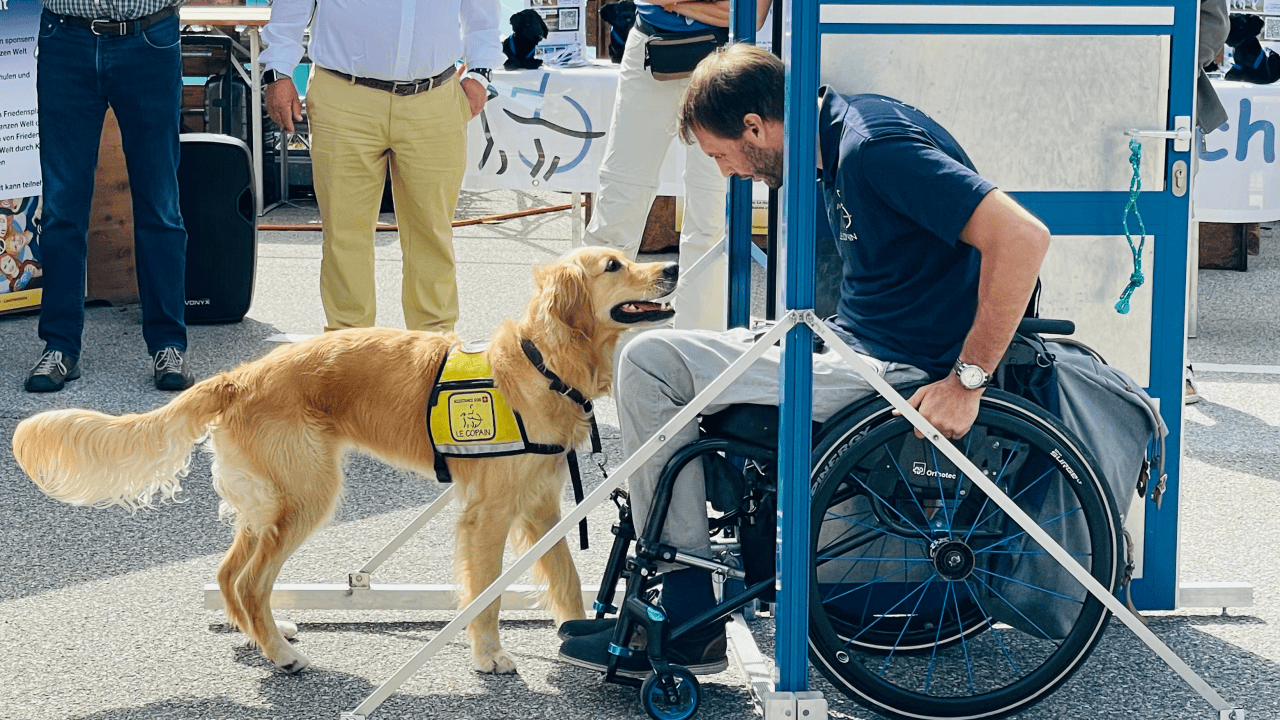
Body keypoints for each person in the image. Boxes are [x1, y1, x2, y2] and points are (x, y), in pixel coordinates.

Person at [558, 43, 1051, 676]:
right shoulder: (840, 139)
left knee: (650, 360)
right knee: (658, 356)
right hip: (853, 343)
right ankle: (682, 583)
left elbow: (1023, 237)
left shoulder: (875, 149)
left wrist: (969, 380)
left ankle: (683, 608)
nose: (731, 173)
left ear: (756, 128)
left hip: (895, 371)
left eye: (722, 155)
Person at [260, 0, 502, 333]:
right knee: (344, 234)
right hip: (343, 95)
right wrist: (279, 70)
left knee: (432, 233)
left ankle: (433, 350)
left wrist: (480, 74)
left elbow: (483, 14)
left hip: (435, 97)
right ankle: (350, 353)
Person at [27, 0, 194, 393]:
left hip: (149, 36)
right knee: (61, 208)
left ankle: (169, 345)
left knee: (160, 205)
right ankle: (60, 346)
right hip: (65, 36)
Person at [583, 0, 771, 332]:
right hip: (651, 50)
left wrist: (671, 3)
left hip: (723, 63)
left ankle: (698, 342)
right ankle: (588, 335)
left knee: (709, 216)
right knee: (620, 197)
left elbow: (747, 15)